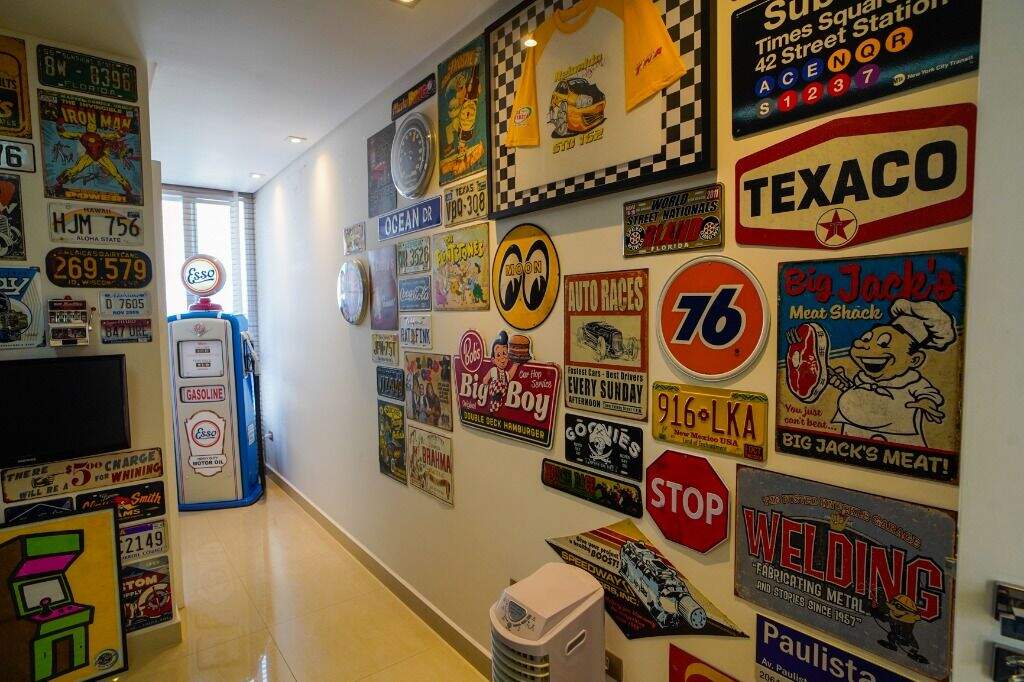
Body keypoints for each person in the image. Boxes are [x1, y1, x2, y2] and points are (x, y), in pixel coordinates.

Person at [833, 299, 956, 447]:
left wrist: (926, 402)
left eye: (883, 343)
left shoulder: (912, 382)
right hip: (853, 438)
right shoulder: (863, 377)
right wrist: (840, 381)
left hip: (898, 441)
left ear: (914, 360)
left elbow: (928, 393)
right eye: (866, 339)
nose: (861, 345)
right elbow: (859, 394)